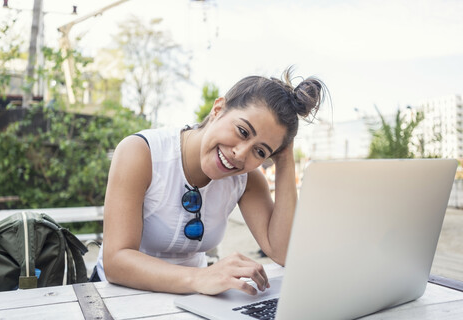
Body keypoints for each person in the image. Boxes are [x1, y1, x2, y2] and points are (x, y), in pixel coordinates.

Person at [95, 67, 327, 296]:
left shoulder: (246, 179)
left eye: (260, 151)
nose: (240, 153)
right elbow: (116, 261)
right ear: (218, 109)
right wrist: (201, 276)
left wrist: (285, 159)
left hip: (190, 300)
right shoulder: (141, 153)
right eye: (243, 131)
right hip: (119, 298)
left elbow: (283, 253)